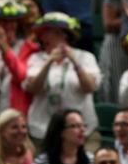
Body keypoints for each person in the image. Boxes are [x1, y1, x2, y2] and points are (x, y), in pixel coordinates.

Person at [23, 13, 101, 144]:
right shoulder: (35, 59)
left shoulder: (86, 57)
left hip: (82, 131)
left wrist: (74, 61)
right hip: (43, 130)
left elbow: (90, 87)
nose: (42, 37)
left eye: (48, 32)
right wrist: (48, 62)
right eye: (41, 33)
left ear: (63, 34)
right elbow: (33, 88)